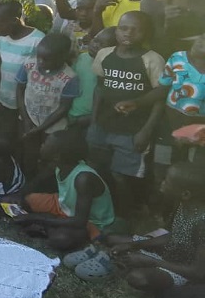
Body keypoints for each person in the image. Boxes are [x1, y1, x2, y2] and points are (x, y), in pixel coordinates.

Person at [88, 11, 165, 213]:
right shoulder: (105, 54)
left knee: (122, 176)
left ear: (145, 33)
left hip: (133, 130)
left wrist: (146, 131)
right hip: (103, 125)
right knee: (99, 170)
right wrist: (93, 121)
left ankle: (125, 214)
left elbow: (160, 98)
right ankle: (102, 211)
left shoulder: (153, 60)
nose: (128, 33)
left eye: (135, 30)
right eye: (123, 28)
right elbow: (99, 89)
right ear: (116, 31)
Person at [105, 162, 205, 295]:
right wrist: (133, 245)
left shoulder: (202, 222)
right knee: (112, 238)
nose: (161, 183)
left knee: (137, 278)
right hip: (168, 254)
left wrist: (152, 261)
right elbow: (174, 235)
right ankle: (133, 261)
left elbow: (197, 273)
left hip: (183, 270)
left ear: (185, 194)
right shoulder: (183, 205)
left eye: (167, 181)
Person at [11, 128, 116, 252]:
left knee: (61, 239)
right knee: (25, 200)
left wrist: (34, 218)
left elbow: (80, 221)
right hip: (64, 206)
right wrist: (19, 195)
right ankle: (51, 223)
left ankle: (47, 224)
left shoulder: (83, 178)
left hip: (89, 221)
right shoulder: (58, 165)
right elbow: (37, 182)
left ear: (56, 156)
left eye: (45, 144)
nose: (42, 145)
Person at [16, 34, 80, 176]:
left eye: (46, 59)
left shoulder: (69, 77)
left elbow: (64, 107)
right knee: (29, 154)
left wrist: (40, 128)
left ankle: (44, 183)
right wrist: (26, 119)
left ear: (62, 57)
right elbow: (20, 90)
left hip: (52, 127)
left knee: (49, 158)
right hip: (28, 120)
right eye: (39, 57)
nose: (40, 62)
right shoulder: (29, 65)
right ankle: (28, 180)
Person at [0, 0, 45, 135]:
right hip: (3, 98)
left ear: (14, 20)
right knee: (5, 132)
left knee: (23, 134)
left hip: (27, 103)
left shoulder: (38, 40)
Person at [69, 27, 117, 128]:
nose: (95, 45)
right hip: (70, 114)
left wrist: (92, 119)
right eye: (95, 40)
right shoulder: (82, 58)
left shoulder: (112, 70)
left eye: (102, 45)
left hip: (90, 119)